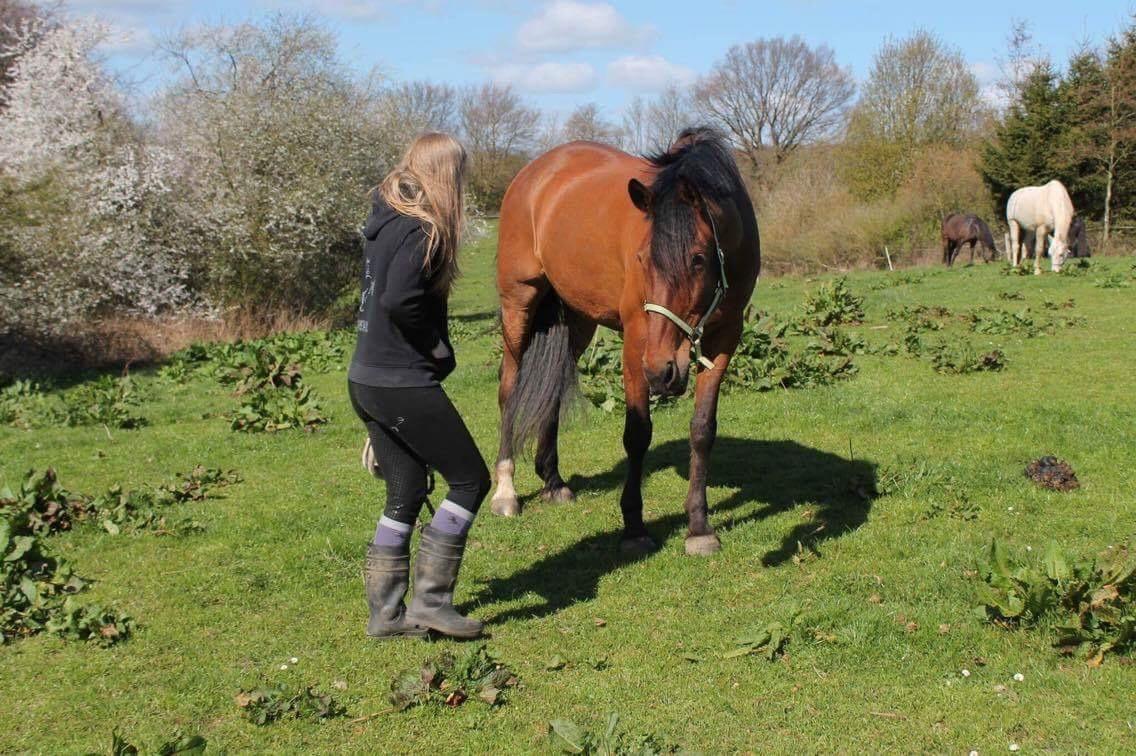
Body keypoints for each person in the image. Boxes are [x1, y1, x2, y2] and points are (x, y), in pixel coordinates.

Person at [347, 132, 490, 640]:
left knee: (405, 491)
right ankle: (431, 603)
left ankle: (386, 617)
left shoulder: (384, 220)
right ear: (448, 173)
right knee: (471, 481)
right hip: (399, 381)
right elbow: (399, 300)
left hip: (366, 378)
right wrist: (436, 348)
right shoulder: (420, 229)